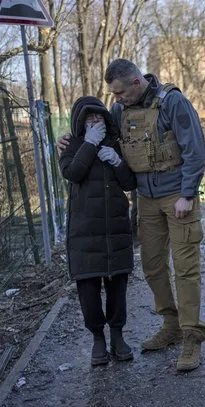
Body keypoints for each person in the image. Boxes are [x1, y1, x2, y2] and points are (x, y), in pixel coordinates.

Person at [57, 59, 205, 371]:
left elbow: (195, 149)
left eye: (120, 93)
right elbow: (101, 136)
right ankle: (171, 324)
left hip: (177, 196)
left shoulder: (173, 103)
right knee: (153, 267)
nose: (116, 99)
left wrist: (188, 194)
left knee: (185, 269)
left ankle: (192, 336)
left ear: (137, 83)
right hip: (146, 200)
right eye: (113, 95)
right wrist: (68, 141)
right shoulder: (119, 111)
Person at [60, 96, 137, 366]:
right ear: (81, 123)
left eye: (99, 118)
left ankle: (117, 335)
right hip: (85, 231)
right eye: (89, 119)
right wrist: (90, 144)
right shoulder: (71, 145)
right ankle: (98, 339)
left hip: (115, 229)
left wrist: (117, 161)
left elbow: (129, 182)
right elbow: (72, 173)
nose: (95, 123)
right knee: (88, 289)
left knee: (118, 286)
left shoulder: (116, 144)